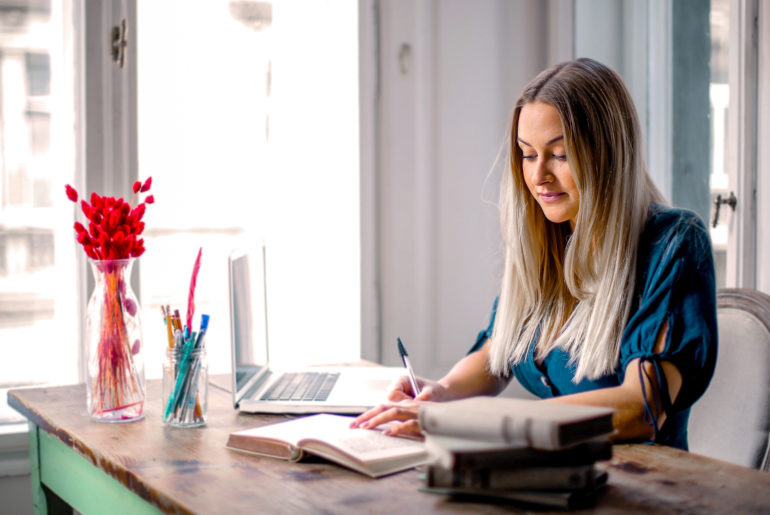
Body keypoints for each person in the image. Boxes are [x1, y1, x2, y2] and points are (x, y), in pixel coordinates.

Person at [351, 58, 717, 450]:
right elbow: (499, 351)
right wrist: (442, 392)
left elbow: (639, 408)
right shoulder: (549, 239)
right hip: (549, 478)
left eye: (559, 155)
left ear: (609, 156)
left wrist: (474, 421)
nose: (538, 176)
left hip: (641, 489)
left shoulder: (673, 245)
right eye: (527, 154)